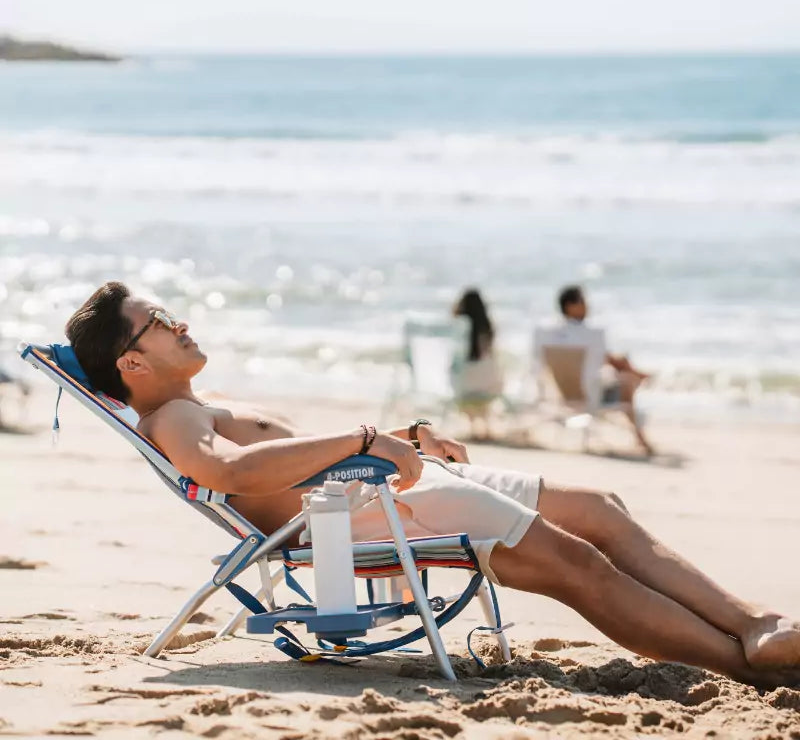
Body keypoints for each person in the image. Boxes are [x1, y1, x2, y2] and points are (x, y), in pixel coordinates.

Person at [63, 282, 800, 688]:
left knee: (600, 507)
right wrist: (363, 442)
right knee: (580, 566)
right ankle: (745, 663)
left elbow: (281, 456)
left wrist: (400, 438)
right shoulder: (173, 421)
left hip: (383, 484)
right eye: (158, 320)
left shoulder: (198, 404)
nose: (180, 321)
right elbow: (227, 474)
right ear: (133, 364)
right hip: (367, 513)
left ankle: (754, 622)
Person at [556, 284, 653, 454]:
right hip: (591, 396)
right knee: (627, 380)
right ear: (570, 306)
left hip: (561, 394)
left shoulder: (550, 334)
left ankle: (639, 434)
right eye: (583, 302)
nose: (587, 306)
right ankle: (639, 436)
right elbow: (609, 360)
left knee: (623, 370)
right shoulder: (592, 334)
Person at [451, 288, 504, 440]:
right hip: (488, 382)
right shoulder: (487, 328)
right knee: (486, 372)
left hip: (465, 384)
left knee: (462, 375)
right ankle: (485, 426)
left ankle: (473, 426)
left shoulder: (458, 328)